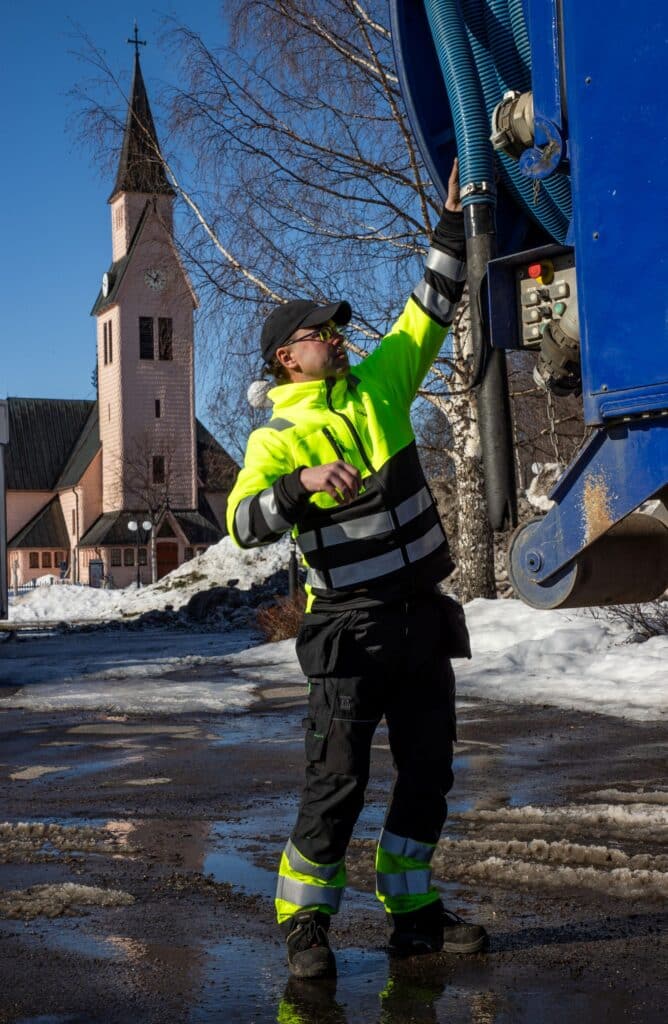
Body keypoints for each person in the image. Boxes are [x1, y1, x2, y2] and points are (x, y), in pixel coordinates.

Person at [226, 160, 487, 979]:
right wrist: (296, 487)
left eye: (337, 328)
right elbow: (240, 524)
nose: (338, 338)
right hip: (348, 627)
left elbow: (430, 310)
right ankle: (306, 927)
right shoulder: (274, 441)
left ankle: (412, 914)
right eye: (320, 333)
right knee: (336, 786)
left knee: (429, 774)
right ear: (285, 359)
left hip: (420, 617)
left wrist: (450, 226)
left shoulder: (380, 382)